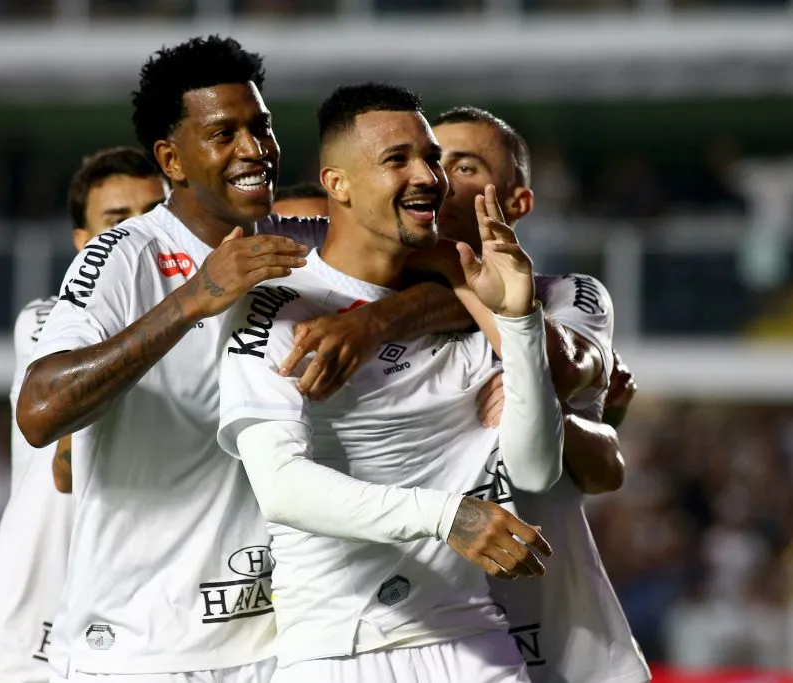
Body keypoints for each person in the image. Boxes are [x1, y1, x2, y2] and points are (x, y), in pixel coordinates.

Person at [16, 39, 514, 683]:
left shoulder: (302, 243)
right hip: (142, 646)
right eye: (224, 134)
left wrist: (375, 321)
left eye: (262, 125)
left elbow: (465, 280)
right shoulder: (124, 256)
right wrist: (194, 297)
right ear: (171, 160)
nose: (255, 149)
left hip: (277, 641)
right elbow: (39, 411)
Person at [217, 83, 563, 683]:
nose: (428, 176)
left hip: (472, 638)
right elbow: (282, 488)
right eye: (396, 160)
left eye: (430, 157)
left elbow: (535, 471)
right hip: (338, 648)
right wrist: (448, 516)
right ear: (338, 184)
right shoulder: (279, 306)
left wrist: (518, 319)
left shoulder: (468, 297)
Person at [430, 105, 651, 683]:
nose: (440, 180)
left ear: (519, 201)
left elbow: (567, 378)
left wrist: (461, 272)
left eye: (466, 167)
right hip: (434, 644)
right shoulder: (366, 314)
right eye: (432, 163)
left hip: (572, 650)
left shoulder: (570, 294)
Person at [0, 147, 166, 683]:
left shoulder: (195, 330)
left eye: (154, 214)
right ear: (83, 242)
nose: (140, 235)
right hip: (25, 632)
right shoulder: (46, 324)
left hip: (131, 627)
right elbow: (68, 469)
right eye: (117, 221)